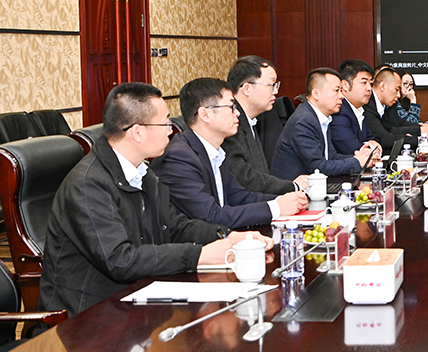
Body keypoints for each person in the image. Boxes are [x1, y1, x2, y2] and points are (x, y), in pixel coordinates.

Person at [39, 82, 273, 317]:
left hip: (137, 299)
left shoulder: (143, 173)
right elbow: (120, 260)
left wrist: (227, 236)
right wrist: (198, 256)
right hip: (88, 317)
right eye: (165, 123)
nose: (171, 131)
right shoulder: (88, 184)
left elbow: (175, 227)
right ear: (138, 132)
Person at [151, 78, 307, 229]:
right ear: (205, 115)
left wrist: (284, 200)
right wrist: (276, 208)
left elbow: (238, 196)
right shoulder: (178, 157)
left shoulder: (216, 150)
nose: (237, 113)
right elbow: (211, 216)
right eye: (231, 107)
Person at [270, 68, 379, 180]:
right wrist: (357, 162)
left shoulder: (321, 117)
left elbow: (331, 156)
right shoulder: (303, 121)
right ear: (316, 94)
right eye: (336, 90)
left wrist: (360, 157)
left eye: (341, 90)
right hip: (294, 187)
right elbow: (318, 167)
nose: (341, 96)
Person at [223, 55, 308, 194]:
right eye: (271, 85)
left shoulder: (251, 120)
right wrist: (292, 187)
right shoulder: (229, 124)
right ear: (247, 89)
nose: (276, 91)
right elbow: (245, 179)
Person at [365, 66, 428, 154]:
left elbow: (390, 129)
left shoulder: (382, 105)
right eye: (397, 89)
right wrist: (421, 140)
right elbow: (385, 139)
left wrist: (418, 131)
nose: (398, 95)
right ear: (383, 86)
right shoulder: (368, 105)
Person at [330, 59, 379, 157]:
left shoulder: (359, 109)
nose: (369, 88)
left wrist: (372, 147)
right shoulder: (338, 111)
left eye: (370, 83)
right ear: (345, 85)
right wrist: (372, 148)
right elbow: (352, 149)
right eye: (364, 82)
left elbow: (371, 139)